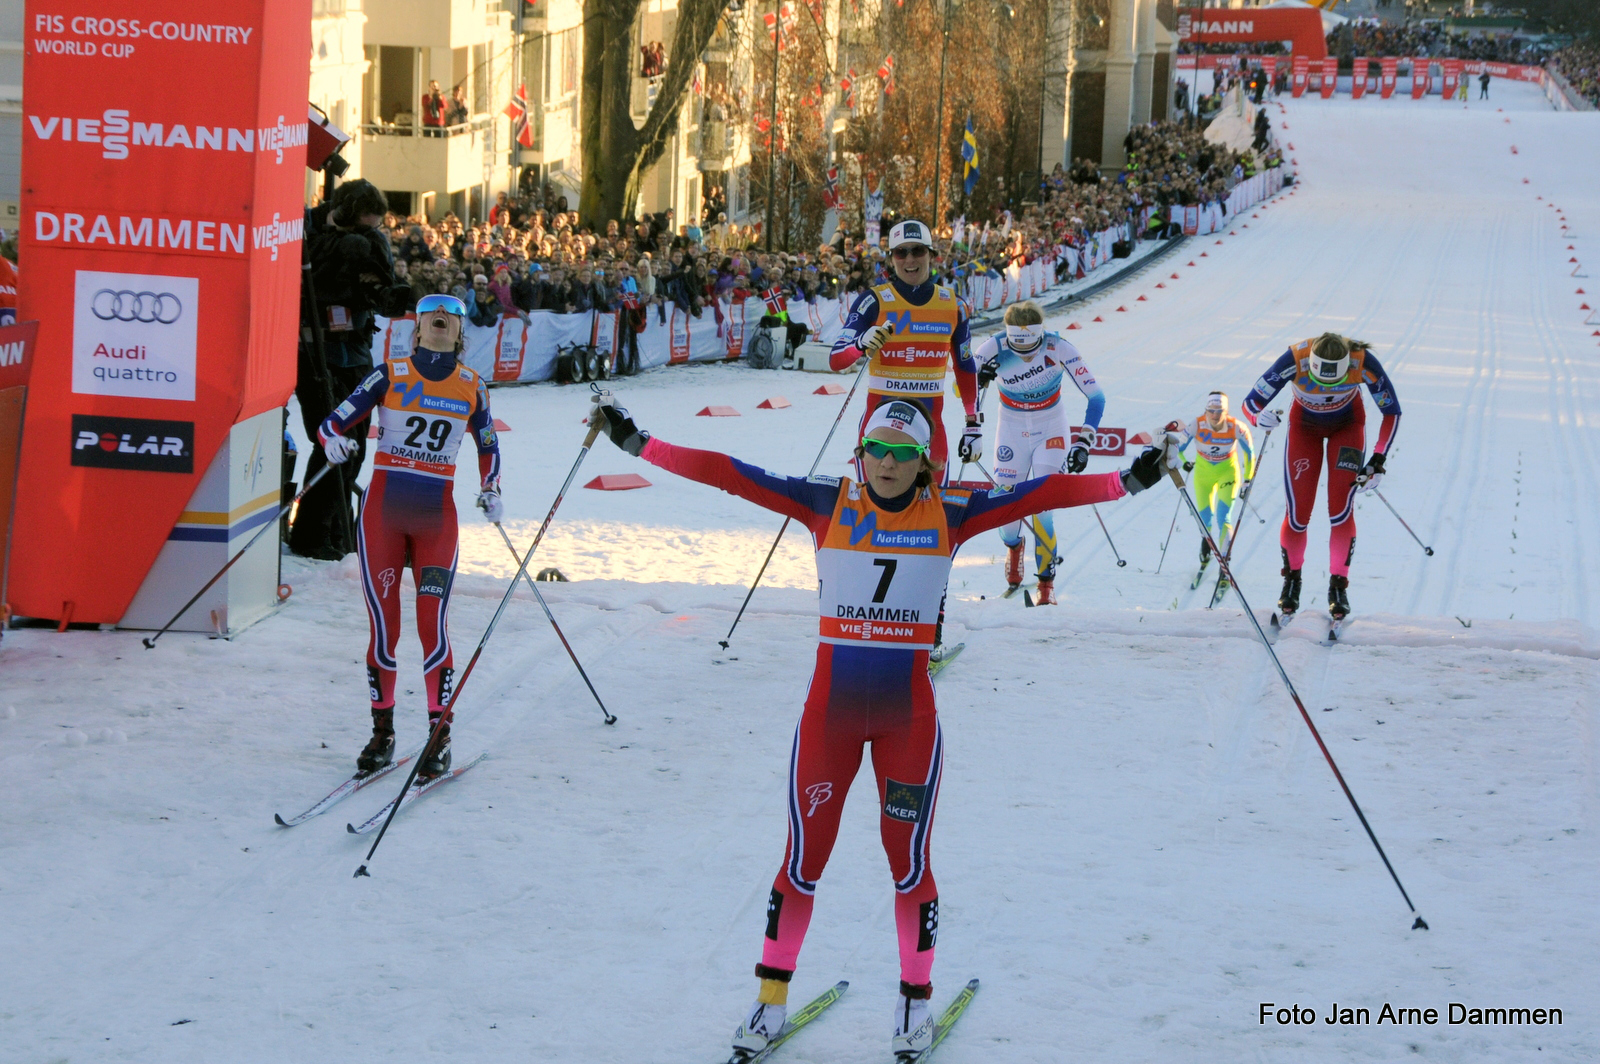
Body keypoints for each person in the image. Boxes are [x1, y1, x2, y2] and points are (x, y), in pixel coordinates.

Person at [586, 390, 1179, 1063]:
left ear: (925, 462)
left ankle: (913, 1004)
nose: (887, 463)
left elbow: (1041, 494)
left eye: (903, 453)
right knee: (802, 861)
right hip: (829, 720)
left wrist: (1130, 479)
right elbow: (729, 472)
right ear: (860, 453)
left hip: (907, 722)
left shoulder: (953, 511)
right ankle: (769, 1002)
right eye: (876, 449)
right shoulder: (825, 503)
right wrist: (637, 443)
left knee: (908, 865)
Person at [317, 294, 503, 779]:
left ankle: (438, 737)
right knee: (385, 629)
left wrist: (491, 487)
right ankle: (383, 733)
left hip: (435, 520)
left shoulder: (472, 387)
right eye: (430, 315)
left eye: (450, 317)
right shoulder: (390, 374)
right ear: (417, 328)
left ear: (459, 333)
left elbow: (488, 445)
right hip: (383, 516)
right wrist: (332, 439)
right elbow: (333, 420)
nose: (439, 321)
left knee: (431, 628)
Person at [1243, 332, 1400, 623]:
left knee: (1340, 509)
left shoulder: (1362, 361)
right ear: (1312, 364)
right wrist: (1257, 418)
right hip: (1305, 429)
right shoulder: (1294, 359)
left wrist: (1378, 459)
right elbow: (1251, 402)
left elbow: (1391, 411)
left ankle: (1338, 587)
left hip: (1348, 427)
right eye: (1322, 380)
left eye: (1336, 381)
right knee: (1299, 513)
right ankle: (1292, 580)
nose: (1328, 387)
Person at [293, 179, 401, 561]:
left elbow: (383, 286)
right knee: (329, 441)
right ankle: (310, 534)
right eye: (361, 227)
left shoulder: (371, 240)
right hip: (311, 350)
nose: (366, 235)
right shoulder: (305, 227)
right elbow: (309, 276)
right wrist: (348, 245)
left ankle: (337, 530)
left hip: (353, 351)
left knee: (353, 448)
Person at [972, 301, 1105, 604]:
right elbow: (959, 388)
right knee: (1005, 508)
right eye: (1019, 351)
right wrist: (976, 380)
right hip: (1011, 430)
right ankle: (1013, 547)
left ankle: (1046, 584)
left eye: (1032, 348)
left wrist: (1084, 442)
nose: (1027, 355)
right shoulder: (992, 346)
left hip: (1051, 428)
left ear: (1040, 334)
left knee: (1043, 506)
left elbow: (1097, 397)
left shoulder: (1059, 346)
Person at [828, 219, 980, 471]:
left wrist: (973, 423)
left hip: (931, 432)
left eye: (918, 251)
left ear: (931, 255)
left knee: (932, 509)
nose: (909, 260)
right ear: (891, 259)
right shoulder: (873, 301)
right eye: (901, 252)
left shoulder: (955, 305)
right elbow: (836, 359)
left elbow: (965, 365)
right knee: (875, 510)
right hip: (879, 432)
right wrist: (860, 343)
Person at [1177, 391, 1255, 586]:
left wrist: (1247, 480)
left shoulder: (1237, 427)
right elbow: (1177, 449)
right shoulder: (1196, 424)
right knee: (1204, 520)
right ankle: (1206, 548)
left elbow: (1249, 453)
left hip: (1227, 473)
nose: (1214, 415)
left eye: (1219, 411)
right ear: (1206, 410)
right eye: (1211, 411)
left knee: (1223, 517)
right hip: (1203, 475)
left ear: (1225, 411)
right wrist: (1184, 463)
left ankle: (1225, 562)